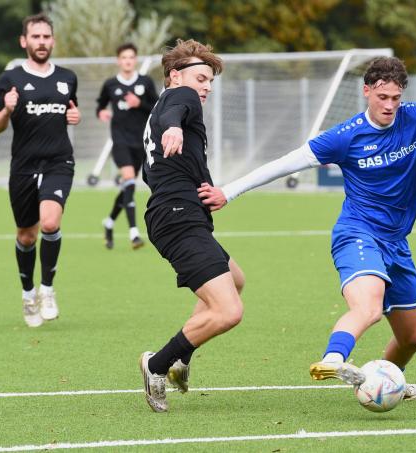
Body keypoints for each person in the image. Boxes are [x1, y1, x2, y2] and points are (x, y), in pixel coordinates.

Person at [198, 57, 416, 399]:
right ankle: (332, 359)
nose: (389, 105)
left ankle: (389, 382)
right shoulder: (345, 136)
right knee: (368, 308)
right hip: (357, 234)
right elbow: (285, 164)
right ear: (367, 91)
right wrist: (229, 191)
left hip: (397, 243)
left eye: (395, 98)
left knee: (412, 339)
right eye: (382, 97)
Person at [138, 39, 245, 413]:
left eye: (210, 81)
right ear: (174, 76)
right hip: (178, 217)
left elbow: (150, 172)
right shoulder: (179, 98)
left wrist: (200, 187)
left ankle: (181, 358)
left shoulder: (157, 112)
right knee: (229, 311)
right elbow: (177, 109)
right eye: (201, 78)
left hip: (177, 214)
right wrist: (174, 128)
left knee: (236, 280)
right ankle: (158, 364)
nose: (206, 87)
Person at [0, 13, 81, 327]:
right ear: (24, 41)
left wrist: (75, 118)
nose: (41, 42)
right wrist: (7, 109)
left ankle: (47, 290)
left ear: (52, 41)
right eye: (35, 37)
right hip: (23, 166)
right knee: (26, 236)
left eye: (46, 37)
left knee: (50, 223)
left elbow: (71, 111)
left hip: (59, 161)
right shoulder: (10, 79)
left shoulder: (67, 77)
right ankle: (28, 295)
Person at [96, 43, 158, 249]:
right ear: (118, 61)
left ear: (135, 59)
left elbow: (157, 107)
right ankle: (134, 233)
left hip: (140, 142)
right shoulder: (111, 84)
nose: (128, 61)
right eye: (124, 57)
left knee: (127, 187)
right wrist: (101, 112)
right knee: (129, 180)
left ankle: (109, 222)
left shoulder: (145, 82)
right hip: (120, 141)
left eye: (131, 57)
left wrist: (139, 104)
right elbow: (100, 105)